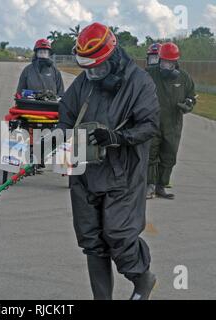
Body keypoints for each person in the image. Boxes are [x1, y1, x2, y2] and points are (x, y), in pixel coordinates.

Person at [58, 22, 160, 300]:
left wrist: (116, 137)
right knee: (92, 240)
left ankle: (142, 279)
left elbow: (149, 126)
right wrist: (59, 142)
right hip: (84, 171)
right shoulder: (85, 82)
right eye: (87, 68)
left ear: (112, 57)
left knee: (119, 235)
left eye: (98, 67)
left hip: (122, 173)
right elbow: (66, 114)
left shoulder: (139, 82)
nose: (92, 73)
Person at [146, 42, 197, 199]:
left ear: (175, 62)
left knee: (169, 156)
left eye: (169, 62)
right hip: (152, 122)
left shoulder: (184, 78)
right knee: (151, 155)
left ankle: (161, 186)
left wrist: (188, 103)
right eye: (163, 61)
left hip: (173, 124)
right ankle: (150, 185)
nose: (165, 65)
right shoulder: (149, 74)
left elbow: (191, 96)